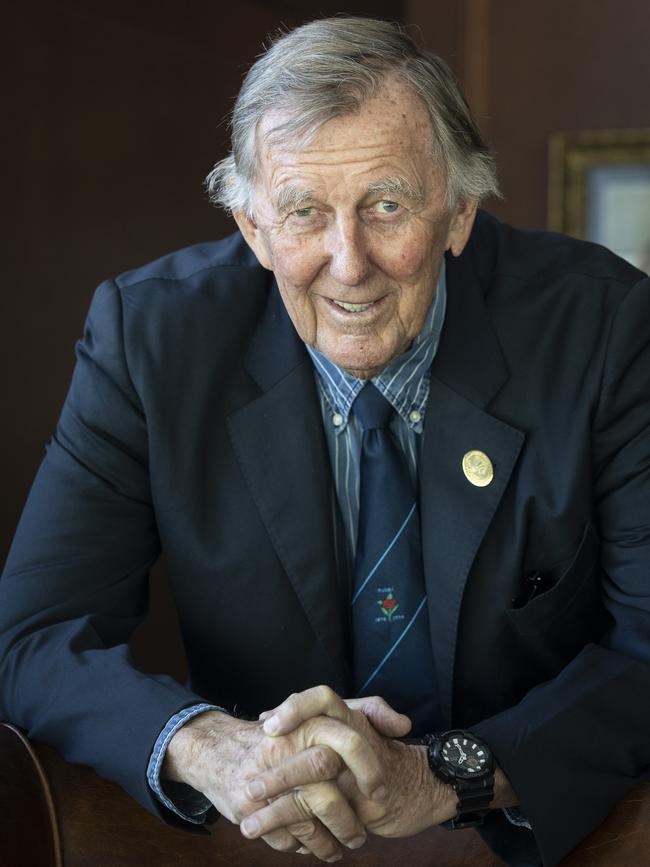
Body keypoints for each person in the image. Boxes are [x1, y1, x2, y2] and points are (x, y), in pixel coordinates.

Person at [1, 16, 649, 867]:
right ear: (253, 228)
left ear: (459, 213)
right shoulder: (151, 341)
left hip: (545, 836)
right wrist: (208, 746)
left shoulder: (600, 327)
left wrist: (440, 776)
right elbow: (34, 635)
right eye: (304, 211)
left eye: (387, 204)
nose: (348, 263)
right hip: (269, 843)